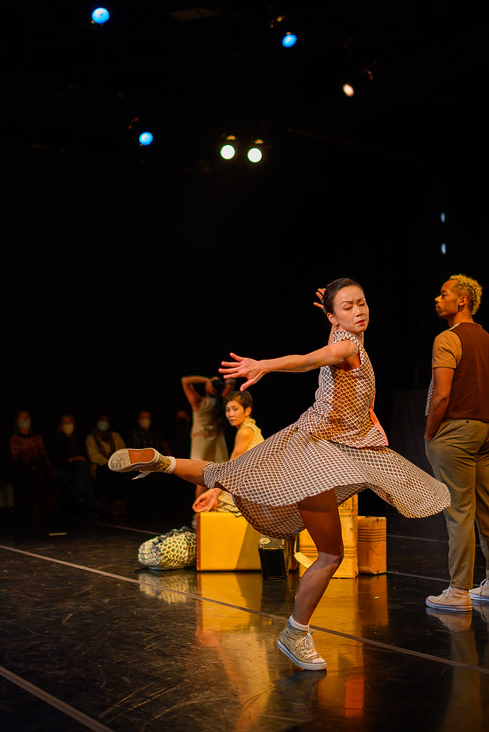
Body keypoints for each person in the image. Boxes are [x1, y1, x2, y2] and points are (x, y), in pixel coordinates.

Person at [109, 279, 450, 671]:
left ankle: (160, 461)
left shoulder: (342, 331)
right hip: (321, 460)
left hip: (305, 445)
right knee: (331, 554)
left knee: (222, 473)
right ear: (334, 317)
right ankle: (295, 634)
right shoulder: (347, 347)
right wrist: (265, 365)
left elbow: (328, 341)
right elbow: (308, 359)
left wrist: (328, 303)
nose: (359, 311)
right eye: (348, 306)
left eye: (362, 303)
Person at [424, 275, 489, 613]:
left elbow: (442, 393)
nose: (437, 298)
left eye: (443, 293)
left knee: (459, 511)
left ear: (461, 300)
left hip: (457, 431)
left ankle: (458, 590)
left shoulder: (447, 338)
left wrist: (431, 432)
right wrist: (482, 417)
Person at [192, 390, 263, 514]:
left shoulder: (245, 432)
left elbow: (231, 467)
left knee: (212, 504)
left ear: (247, 411)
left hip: (252, 488)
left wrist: (214, 495)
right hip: (246, 483)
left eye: (235, 409)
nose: (230, 414)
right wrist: (212, 491)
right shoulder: (251, 428)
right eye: (227, 410)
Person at [51, 414, 95, 517]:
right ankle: (87, 501)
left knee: (84, 468)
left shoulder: (78, 438)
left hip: (80, 467)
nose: (68, 425)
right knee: (83, 470)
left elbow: (85, 455)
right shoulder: (57, 440)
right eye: (66, 423)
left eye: (70, 422)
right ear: (60, 425)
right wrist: (70, 460)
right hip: (65, 469)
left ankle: (82, 497)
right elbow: (56, 460)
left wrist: (79, 459)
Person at [85, 414, 127, 517]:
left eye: (106, 421)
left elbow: (122, 451)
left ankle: (120, 502)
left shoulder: (115, 436)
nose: (104, 424)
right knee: (108, 473)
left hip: (117, 465)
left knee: (124, 474)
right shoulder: (91, 438)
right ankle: (112, 503)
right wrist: (109, 463)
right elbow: (93, 455)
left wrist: (116, 462)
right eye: (101, 421)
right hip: (101, 466)